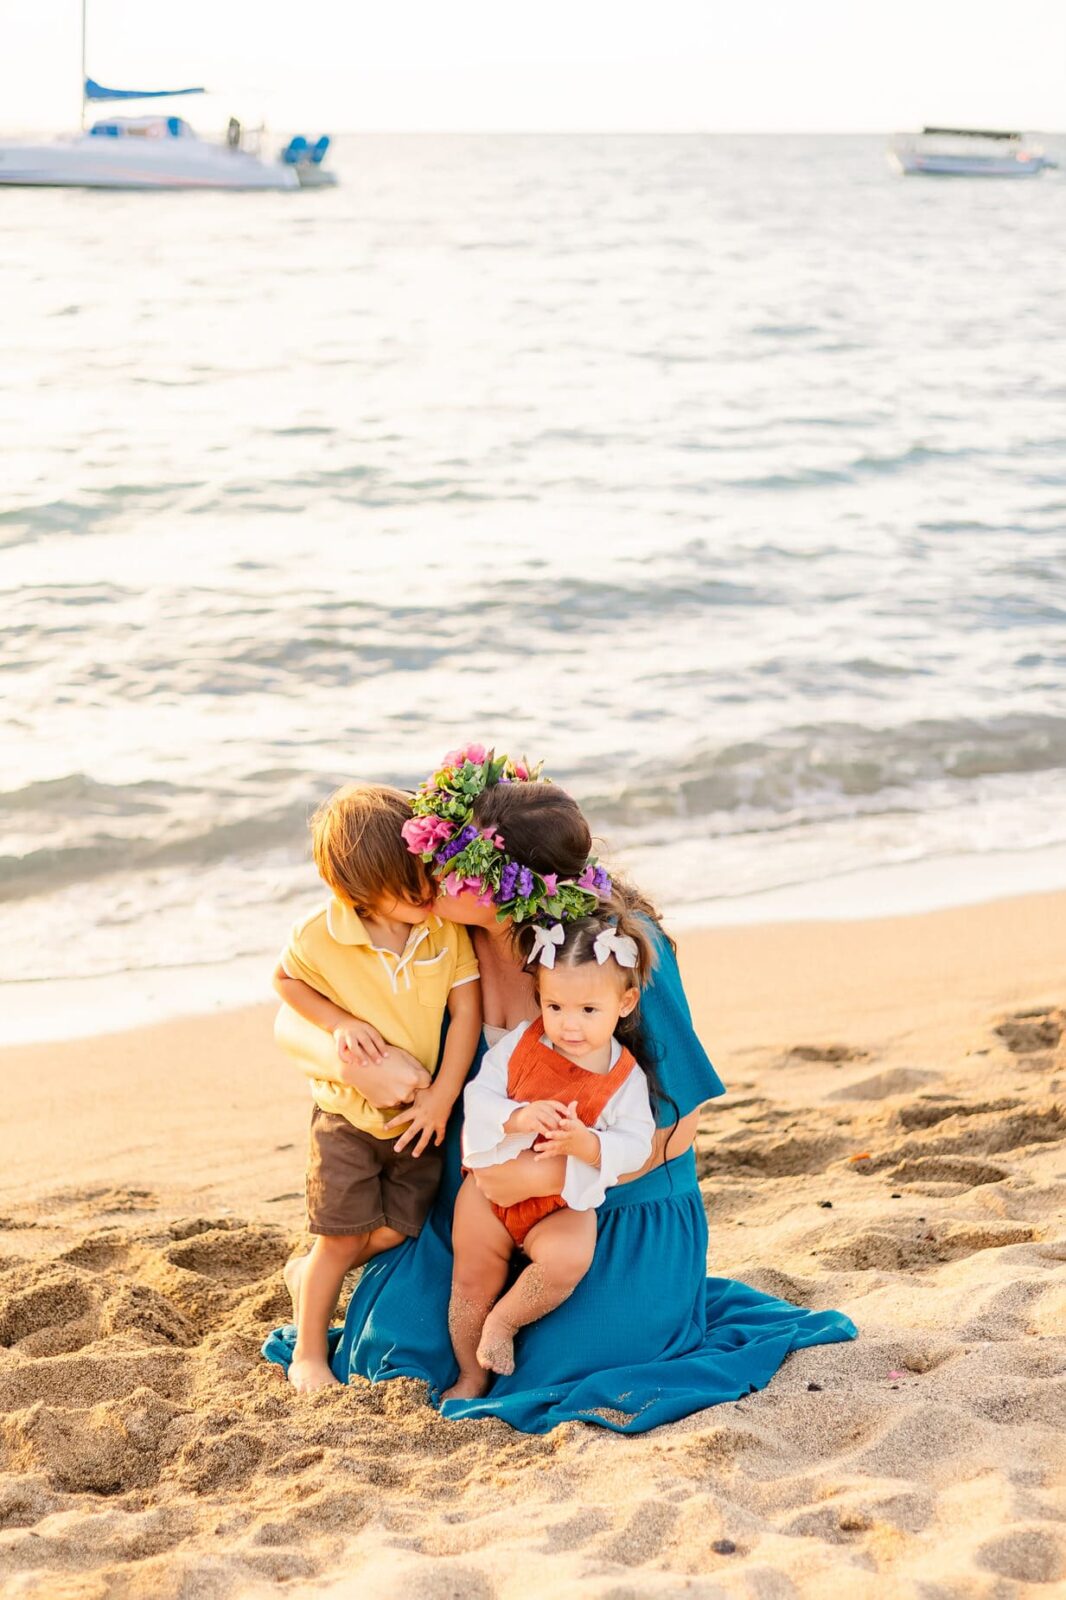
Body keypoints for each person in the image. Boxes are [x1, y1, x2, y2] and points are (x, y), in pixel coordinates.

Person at [263, 748, 857, 1431]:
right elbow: (293, 1009)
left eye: (452, 854)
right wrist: (356, 1061)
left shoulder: (610, 953)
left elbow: (678, 1127)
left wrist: (544, 1174)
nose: (425, 861)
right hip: (477, 1194)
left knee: (568, 1368)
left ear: (507, 882)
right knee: (395, 1351)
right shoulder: (436, 930)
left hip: (613, 1200)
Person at [272, 782, 481, 1393]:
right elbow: (284, 981)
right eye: (404, 885)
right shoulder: (320, 933)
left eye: (423, 874)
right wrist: (340, 1023)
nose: (424, 892)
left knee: (399, 1227)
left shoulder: (442, 930)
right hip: (345, 1117)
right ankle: (308, 1353)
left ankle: (305, 1273)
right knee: (337, 1239)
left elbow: (465, 1014)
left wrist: (442, 1095)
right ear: (355, 891)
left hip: (420, 1115)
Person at [447, 911, 657, 1398]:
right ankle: (469, 1375)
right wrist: (516, 1118)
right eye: (555, 1006)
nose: (569, 1024)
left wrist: (589, 1144)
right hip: (489, 1195)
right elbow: (479, 1096)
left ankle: (506, 1319)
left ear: (624, 1003)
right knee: (470, 1280)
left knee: (567, 1261)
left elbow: (636, 1141)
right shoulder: (521, 1043)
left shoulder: (624, 1078)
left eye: (588, 1010)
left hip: (562, 1200)